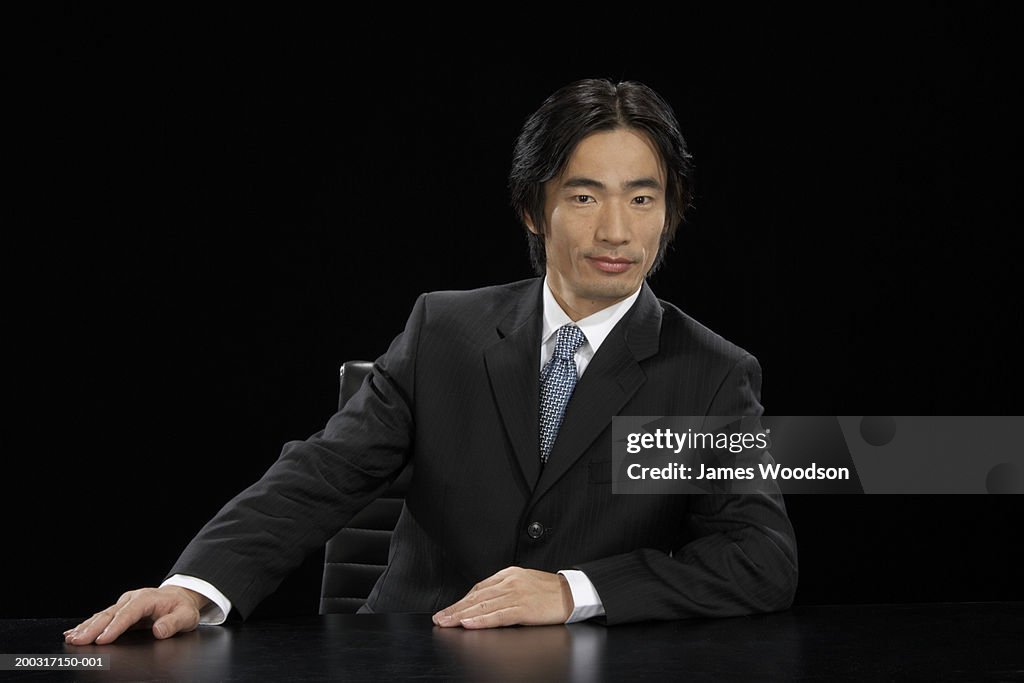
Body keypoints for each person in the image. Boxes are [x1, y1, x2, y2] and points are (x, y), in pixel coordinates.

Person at [64, 78, 797, 645]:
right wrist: (196, 584)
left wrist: (573, 590)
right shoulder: (442, 330)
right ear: (533, 209)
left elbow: (761, 558)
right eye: (585, 195)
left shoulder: (710, 374)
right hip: (409, 653)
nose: (618, 229)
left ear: (671, 212)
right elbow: (321, 472)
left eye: (643, 198)